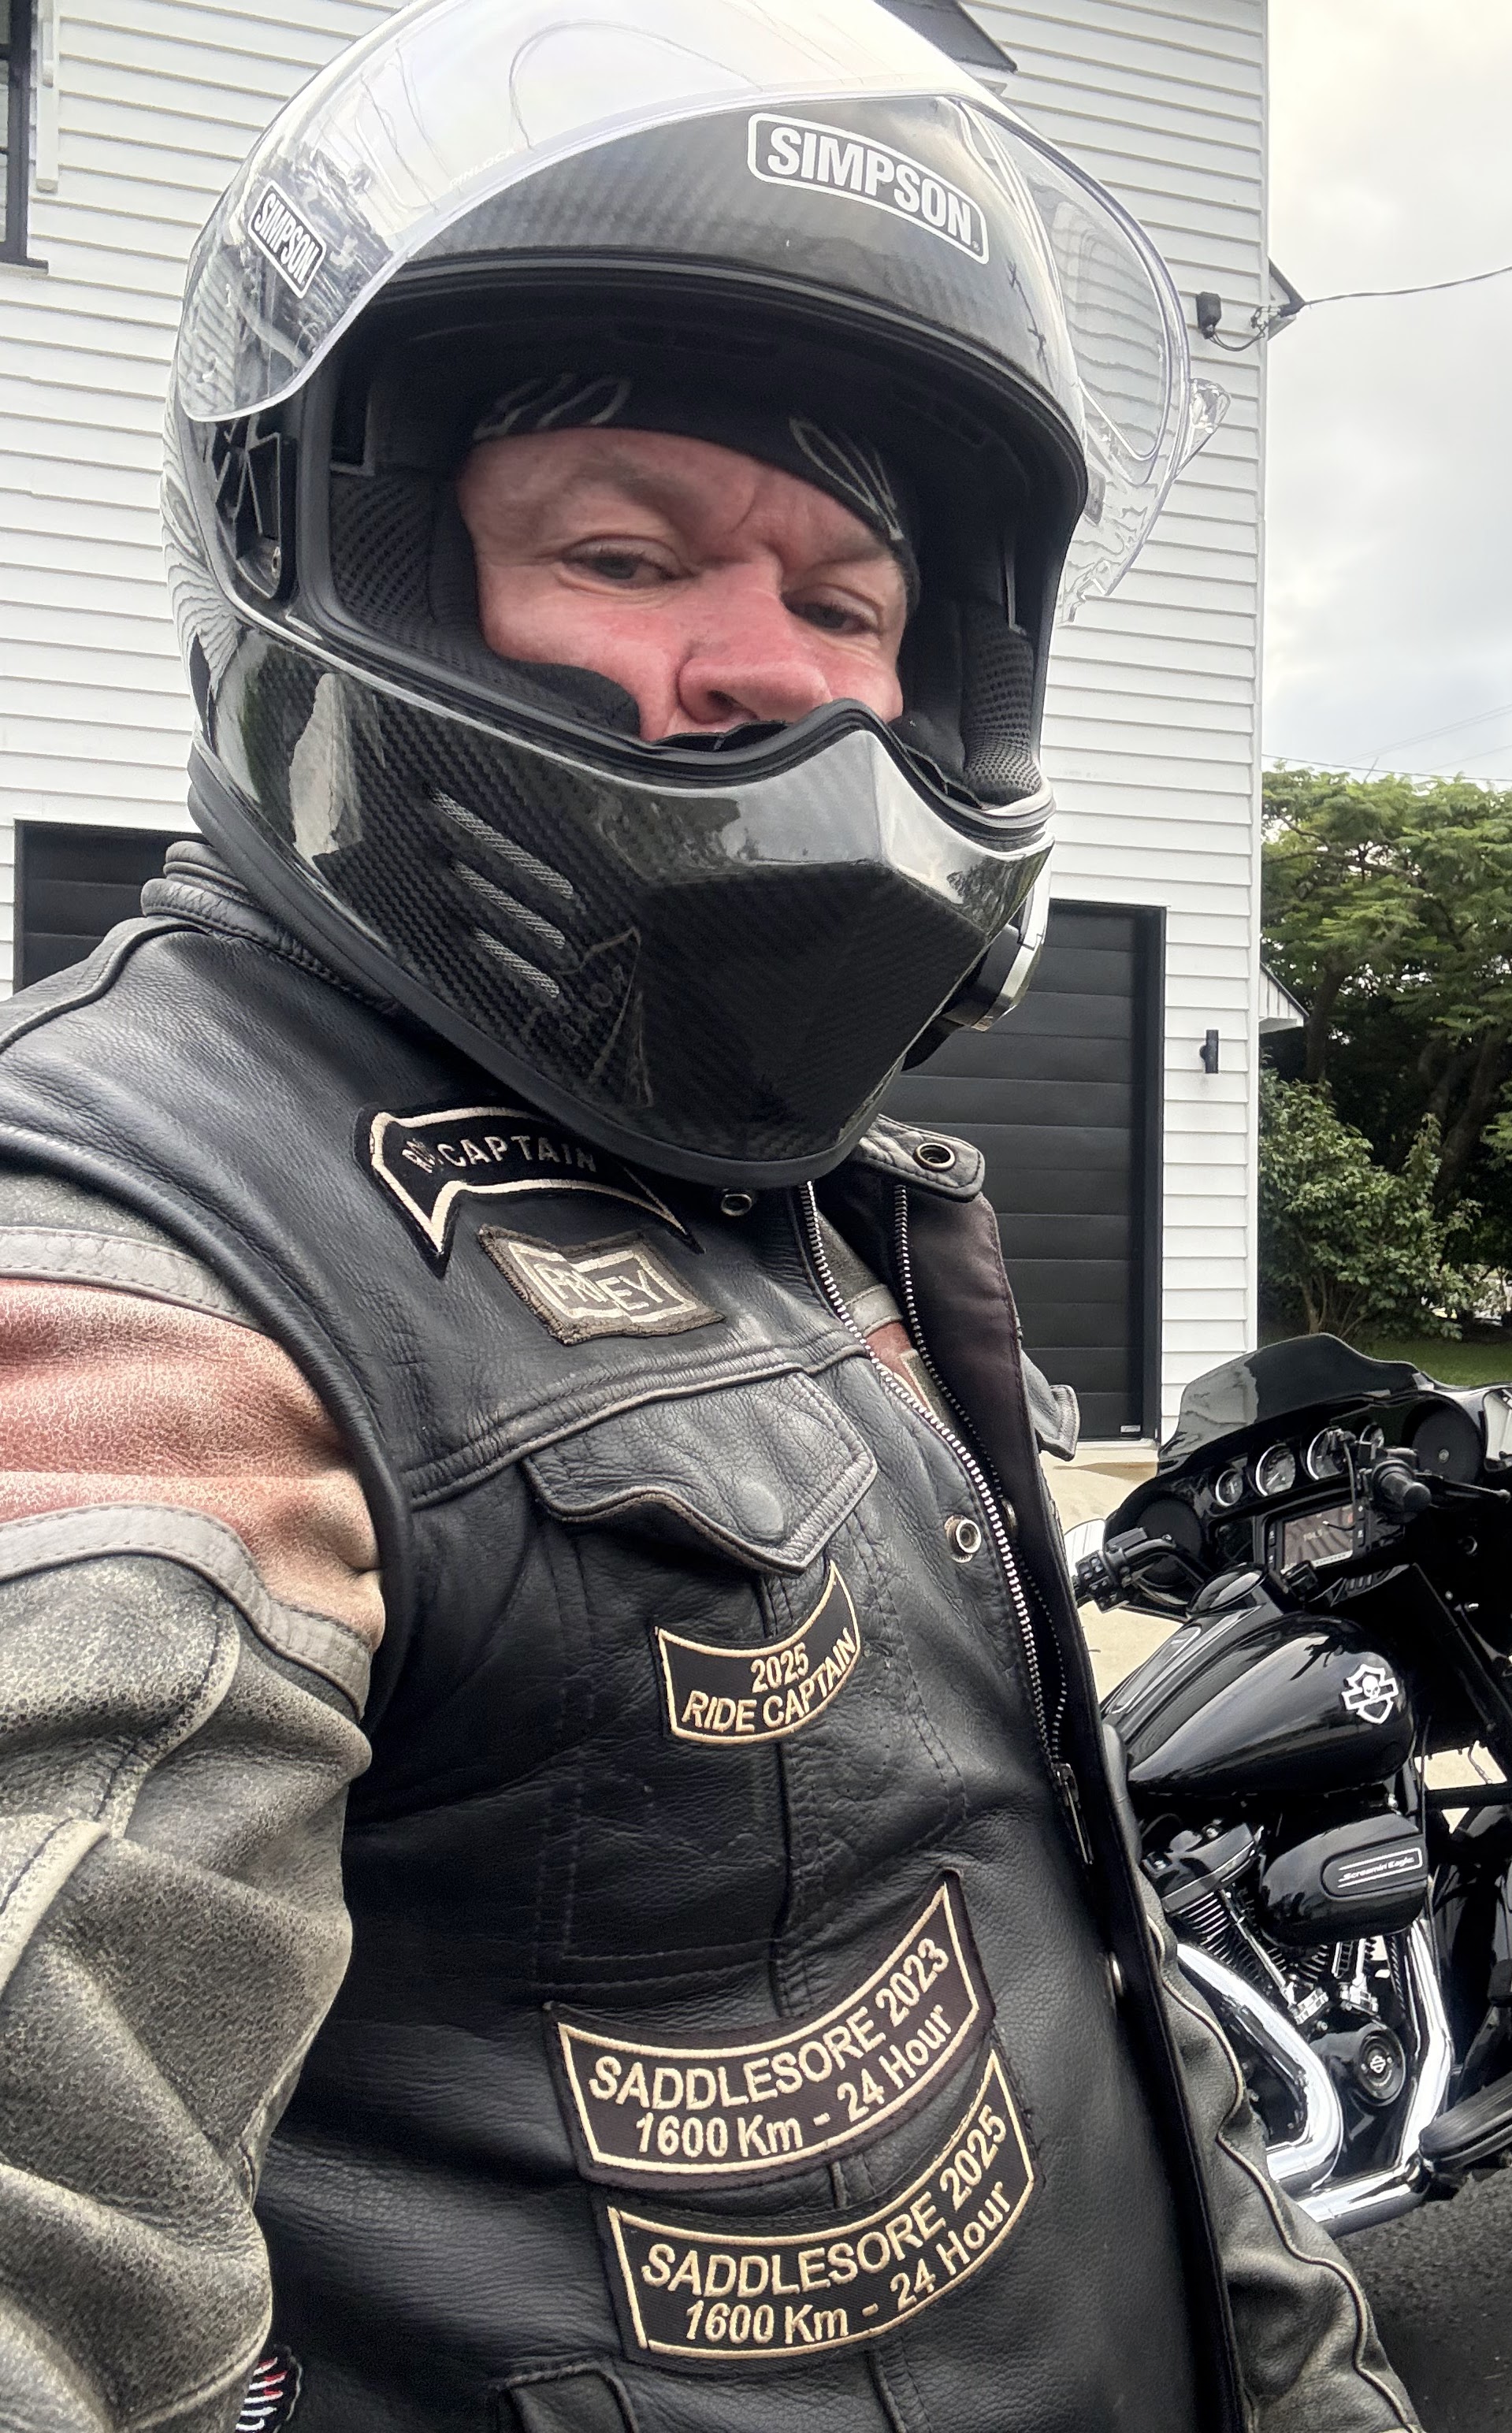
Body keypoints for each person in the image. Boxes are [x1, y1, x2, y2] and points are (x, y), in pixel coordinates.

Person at [0, 5, 1421, 2429]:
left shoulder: (788, 1192)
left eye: (847, 600)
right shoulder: (143, 1247)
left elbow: (1052, 1925)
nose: (766, 672)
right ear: (357, 572)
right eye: (623, 551)